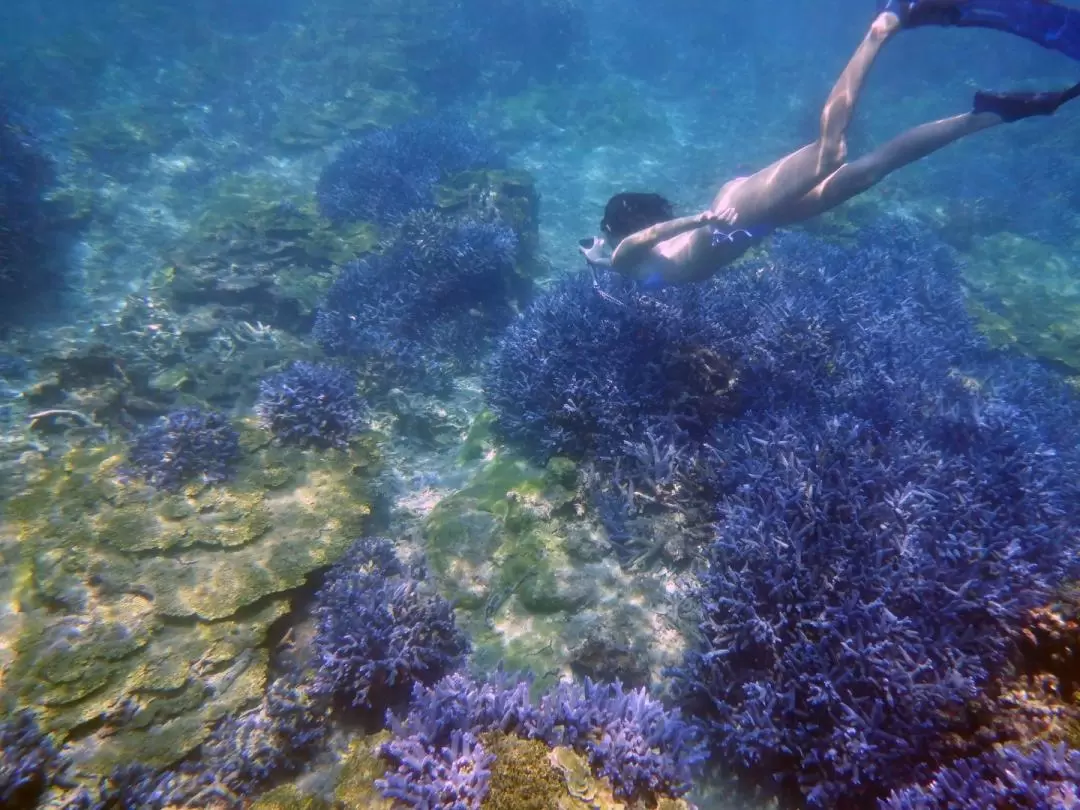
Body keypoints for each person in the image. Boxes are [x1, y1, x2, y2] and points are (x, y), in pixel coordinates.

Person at [579, 0, 1080, 287]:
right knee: (869, 172)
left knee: (831, 153)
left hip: (734, 213)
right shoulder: (619, 259)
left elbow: (637, 241)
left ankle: (884, 25)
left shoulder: (632, 258)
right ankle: (990, 114)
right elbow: (615, 248)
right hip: (756, 223)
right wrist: (596, 252)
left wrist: (700, 219)